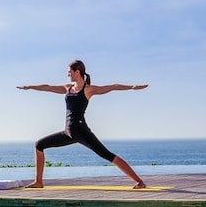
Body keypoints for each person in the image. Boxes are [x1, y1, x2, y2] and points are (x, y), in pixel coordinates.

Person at [17, 59, 148, 189]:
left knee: (108, 155)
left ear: (77, 72)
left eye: (69, 72)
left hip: (82, 132)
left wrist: (132, 87)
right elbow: (47, 87)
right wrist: (30, 87)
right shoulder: (67, 88)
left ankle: (139, 181)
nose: (68, 74)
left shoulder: (88, 89)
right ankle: (38, 182)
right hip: (68, 133)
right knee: (39, 145)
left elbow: (112, 87)